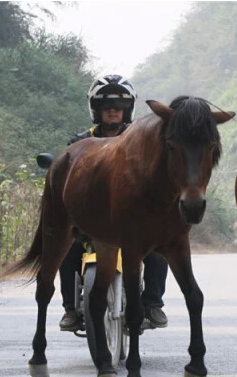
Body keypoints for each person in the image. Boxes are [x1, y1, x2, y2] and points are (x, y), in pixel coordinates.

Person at [58, 74, 169, 331]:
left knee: (158, 249)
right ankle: (70, 309)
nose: (112, 110)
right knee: (67, 249)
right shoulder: (79, 142)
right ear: (95, 109)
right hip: (91, 219)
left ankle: (153, 304)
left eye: (118, 106)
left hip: (132, 220)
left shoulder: (142, 139)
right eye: (106, 105)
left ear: (127, 109)